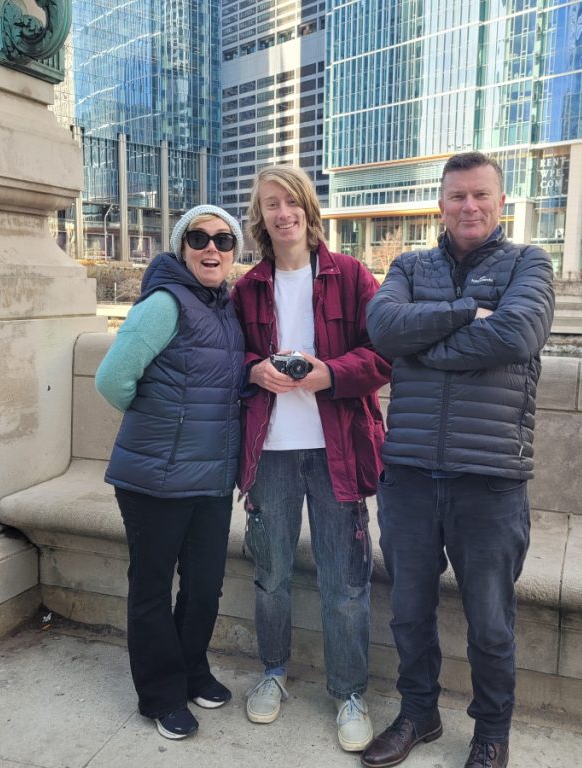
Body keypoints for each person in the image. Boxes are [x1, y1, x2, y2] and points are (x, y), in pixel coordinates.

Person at [362, 152, 555, 768]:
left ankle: (491, 733)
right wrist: (467, 314)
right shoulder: (409, 265)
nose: (467, 207)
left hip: (490, 478)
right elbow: (383, 329)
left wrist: (423, 349)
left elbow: (517, 333)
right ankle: (418, 714)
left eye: (479, 196)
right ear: (439, 204)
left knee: (491, 624)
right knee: (409, 612)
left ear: (501, 202)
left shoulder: (530, 263)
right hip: (410, 475)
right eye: (456, 197)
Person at [231, 165, 391, 753]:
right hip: (269, 453)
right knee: (269, 575)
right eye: (271, 204)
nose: (283, 213)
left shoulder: (350, 277)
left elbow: (384, 355)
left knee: (345, 581)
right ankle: (273, 673)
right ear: (261, 217)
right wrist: (255, 369)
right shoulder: (247, 288)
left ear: (307, 209)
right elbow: (233, 359)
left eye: (291, 201)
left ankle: (349, 693)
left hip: (337, 452)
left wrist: (330, 373)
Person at [95, 205, 245, 741]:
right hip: (153, 479)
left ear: (234, 252)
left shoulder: (226, 308)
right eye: (200, 238)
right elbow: (112, 379)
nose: (212, 248)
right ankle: (160, 693)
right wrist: (162, 419)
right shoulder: (165, 303)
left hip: (208, 478)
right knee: (153, 588)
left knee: (205, 585)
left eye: (224, 240)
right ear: (182, 247)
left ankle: (192, 670)